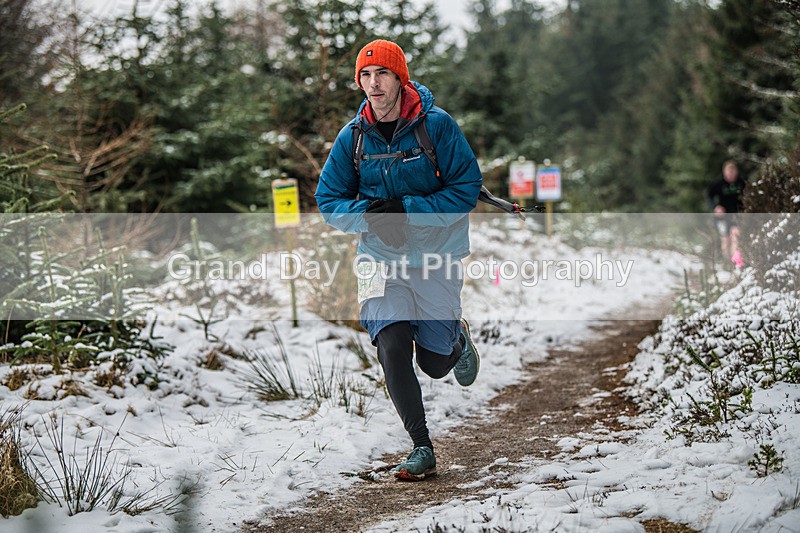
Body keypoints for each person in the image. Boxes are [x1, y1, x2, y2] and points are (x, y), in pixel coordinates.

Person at [315, 39, 483, 481]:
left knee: (432, 362)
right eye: (365, 76)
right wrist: (369, 216)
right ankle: (421, 446)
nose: (373, 84)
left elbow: (465, 189)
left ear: (400, 77)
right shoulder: (353, 137)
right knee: (391, 343)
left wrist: (407, 210)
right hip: (379, 258)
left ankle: (456, 342)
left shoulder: (436, 127)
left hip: (436, 255)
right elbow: (328, 199)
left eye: (382, 74)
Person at [706, 160, 746, 268]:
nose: (731, 175)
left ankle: (735, 262)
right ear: (724, 172)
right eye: (728, 173)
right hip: (722, 217)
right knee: (725, 239)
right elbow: (709, 195)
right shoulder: (719, 184)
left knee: (736, 236)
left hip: (736, 215)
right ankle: (726, 263)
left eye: (733, 172)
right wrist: (715, 207)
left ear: (736, 172)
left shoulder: (741, 182)